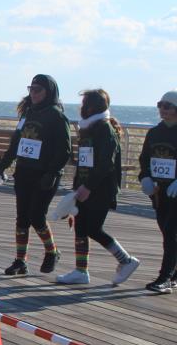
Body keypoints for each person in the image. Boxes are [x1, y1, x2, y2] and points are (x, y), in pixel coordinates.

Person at [56, 89, 139, 285]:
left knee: (93, 228)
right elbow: (85, 163)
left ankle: (126, 260)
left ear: (92, 107)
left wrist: (88, 187)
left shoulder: (104, 129)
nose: (81, 107)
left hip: (100, 190)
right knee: (80, 227)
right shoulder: (89, 129)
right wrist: (77, 188)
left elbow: (105, 163)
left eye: (84, 103)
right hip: (84, 188)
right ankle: (81, 271)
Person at [0, 74, 72, 276]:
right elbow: (17, 141)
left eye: (38, 90)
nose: (34, 94)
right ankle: (20, 261)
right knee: (22, 218)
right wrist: (4, 164)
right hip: (24, 171)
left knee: (36, 216)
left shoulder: (57, 116)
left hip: (45, 174)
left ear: (49, 92)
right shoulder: (27, 113)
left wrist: (52, 172)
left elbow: (64, 150)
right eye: (31, 89)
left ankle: (52, 251)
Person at [137, 90, 177, 293]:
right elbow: (145, 159)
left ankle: (165, 278)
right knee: (166, 231)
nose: (163, 109)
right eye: (160, 105)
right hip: (159, 192)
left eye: (167, 106)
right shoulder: (154, 133)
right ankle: (174, 274)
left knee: (170, 233)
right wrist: (145, 177)